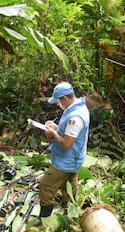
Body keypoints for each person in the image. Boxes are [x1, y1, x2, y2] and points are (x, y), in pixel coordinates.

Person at [38, 82, 90, 218]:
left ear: (65, 99)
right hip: (74, 159)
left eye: (58, 101)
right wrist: (56, 127)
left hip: (66, 161)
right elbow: (69, 132)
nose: (57, 104)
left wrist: (52, 134)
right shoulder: (77, 107)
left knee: (45, 186)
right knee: (69, 188)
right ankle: (70, 216)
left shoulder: (75, 118)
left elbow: (67, 143)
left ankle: (44, 218)